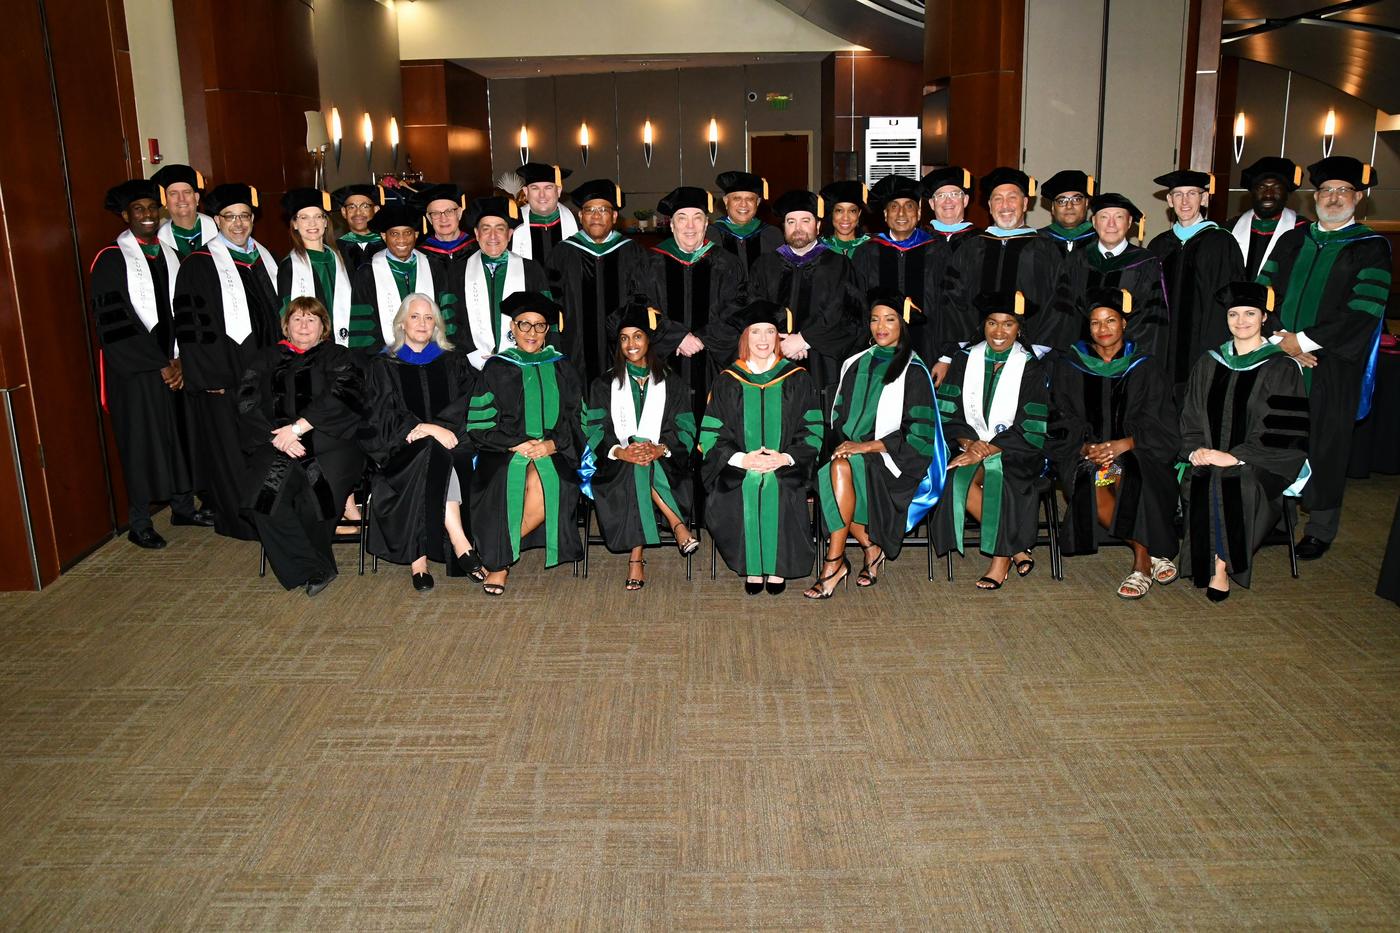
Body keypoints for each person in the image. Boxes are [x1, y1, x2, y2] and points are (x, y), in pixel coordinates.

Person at [1257, 156, 1392, 560]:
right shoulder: (1293, 240)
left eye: (1343, 192)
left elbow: (1364, 311)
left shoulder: (1370, 249)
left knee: (1326, 444)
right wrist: (1281, 338)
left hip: (1332, 365)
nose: (1334, 198)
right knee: (1276, 436)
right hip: (1282, 357)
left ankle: (1320, 527)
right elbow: (1264, 294)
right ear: (1315, 197)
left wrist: (1306, 341)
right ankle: (1277, 519)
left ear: (1358, 198)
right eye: (1326, 191)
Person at [91, 179, 209, 548]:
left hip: (175, 364)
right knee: (143, 441)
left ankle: (182, 506)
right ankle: (139, 520)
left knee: (179, 435)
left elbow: (189, 309)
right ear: (125, 216)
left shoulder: (169, 254)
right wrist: (160, 363)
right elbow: (115, 321)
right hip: (136, 371)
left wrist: (182, 358)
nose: (146, 215)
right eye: (137, 210)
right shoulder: (111, 258)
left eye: (150, 208)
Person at [808, 290, 944, 598]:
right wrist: (845, 445)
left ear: (902, 325)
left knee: (838, 468)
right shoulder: (855, 363)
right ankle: (869, 546)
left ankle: (834, 561)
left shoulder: (914, 371)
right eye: (874, 319)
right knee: (836, 465)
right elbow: (838, 418)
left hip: (893, 461)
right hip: (852, 454)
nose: (880, 326)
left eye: (890, 319)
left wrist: (865, 447)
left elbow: (920, 434)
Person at [1179, 282, 1310, 600]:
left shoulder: (1282, 367)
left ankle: (1221, 565)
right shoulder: (1209, 362)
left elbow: (1283, 431)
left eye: (1250, 313)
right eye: (1234, 314)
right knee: (1199, 475)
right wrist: (1196, 450)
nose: (1241, 321)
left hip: (1263, 461)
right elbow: (1191, 417)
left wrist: (1236, 456)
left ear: (1264, 317)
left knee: (1238, 480)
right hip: (1210, 454)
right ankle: (1208, 558)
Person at [1050, 287, 1180, 599]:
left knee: (1128, 472)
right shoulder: (1070, 365)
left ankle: (1140, 564)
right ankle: (1147, 555)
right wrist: (1084, 447)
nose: (1103, 328)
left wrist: (1125, 444)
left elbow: (1162, 421)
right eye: (1095, 323)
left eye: (1110, 321)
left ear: (1123, 324)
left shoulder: (1145, 365)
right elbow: (1058, 417)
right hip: (1086, 453)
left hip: (1138, 450)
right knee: (1093, 480)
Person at [172, 182, 282, 540]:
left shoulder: (264, 257)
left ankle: (271, 512)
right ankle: (240, 520)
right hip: (225, 374)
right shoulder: (198, 265)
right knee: (231, 448)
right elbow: (192, 327)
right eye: (230, 217)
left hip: (265, 369)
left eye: (245, 216)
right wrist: (209, 376)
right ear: (216, 220)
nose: (238, 224)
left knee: (264, 442)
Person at [238, 297, 366, 596]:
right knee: (263, 501)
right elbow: (246, 402)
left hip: (330, 444)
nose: (304, 325)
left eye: (312, 319)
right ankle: (314, 568)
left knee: (315, 499)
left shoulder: (338, 356)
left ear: (324, 327)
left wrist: (298, 428)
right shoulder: (266, 358)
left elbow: (345, 395)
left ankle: (314, 564)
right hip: (277, 443)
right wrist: (277, 438)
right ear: (286, 326)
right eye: (297, 319)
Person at [699, 300, 823, 594]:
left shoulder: (797, 378)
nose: (764, 340)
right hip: (739, 468)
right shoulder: (728, 380)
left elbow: (814, 430)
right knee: (753, 480)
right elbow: (710, 435)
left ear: (779, 338)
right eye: (756, 332)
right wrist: (742, 459)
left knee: (774, 483)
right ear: (745, 338)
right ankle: (753, 567)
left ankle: (779, 566)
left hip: (786, 466)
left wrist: (785, 457)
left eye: (770, 332)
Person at [363, 293, 485, 591]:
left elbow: (469, 402)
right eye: (415, 316)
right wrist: (428, 429)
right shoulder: (384, 365)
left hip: (448, 441)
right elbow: (380, 415)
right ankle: (460, 542)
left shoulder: (453, 360)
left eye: (429, 318)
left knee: (438, 453)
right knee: (432, 450)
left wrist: (438, 430)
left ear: (436, 326)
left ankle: (419, 561)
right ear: (402, 323)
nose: (422, 323)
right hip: (401, 447)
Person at [466, 292, 584, 595]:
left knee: (545, 481)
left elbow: (577, 420)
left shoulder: (562, 367)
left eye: (540, 326)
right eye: (524, 325)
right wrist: (517, 443)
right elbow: (479, 424)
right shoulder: (496, 368)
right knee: (510, 478)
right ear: (513, 328)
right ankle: (500, 560)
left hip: (555, 449)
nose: (531, 333)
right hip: (503, 450)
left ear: (548, 331)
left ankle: (498, 559)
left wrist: (553, 444)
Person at [931, 291, 1049, 589]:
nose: (999, 332)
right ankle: (1014, 548)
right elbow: (948, 411)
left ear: (1018, 329)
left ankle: (999, 560)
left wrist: (989, 448)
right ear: (982, 325)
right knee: (954, 477)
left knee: (1005, 480)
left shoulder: (1030, 366)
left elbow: (1032, 423)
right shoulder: (964, 359)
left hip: (1016, 449)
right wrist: (970, 444)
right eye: (992, 323)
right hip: (969, 445)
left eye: (1008, 324)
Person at [581, 299, 699, 590]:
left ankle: (636, 558)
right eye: (624, 338)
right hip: (614, 466)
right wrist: (620, 450)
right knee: (636, 463)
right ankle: (677, 525)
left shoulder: (672, 383)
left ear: (649, 340)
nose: (630, 344)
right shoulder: (603, 385)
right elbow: (593, 429)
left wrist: (660, 448)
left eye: (637, 336)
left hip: (667, 463)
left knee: (645, 461)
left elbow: (686, 429)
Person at [940, 168, 1066, 372]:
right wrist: (962, 348)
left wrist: (1036, 351)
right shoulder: (971, 248)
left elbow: (1060, 302)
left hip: (1033, 359)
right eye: (997, 199)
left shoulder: (1046, 249)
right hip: (974, 356)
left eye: (1012, 197)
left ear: (1025, 203)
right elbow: (953, 300)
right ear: (989, 206)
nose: (1005, 205)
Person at [641, 186, 747, 417]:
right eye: (682, 218)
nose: (690, 226)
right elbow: (640, 306)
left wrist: (702, 337)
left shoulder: (727, 263)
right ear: (671, 224)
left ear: (706, 224)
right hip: (666, 362)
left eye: (697, 218)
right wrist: (677, 336)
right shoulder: (649, 263)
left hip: (713, 362)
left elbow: (738, 309)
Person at [747, 189, 860, 393]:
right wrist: (780, 341)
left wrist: (804, 339)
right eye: (791, 222)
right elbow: (754, 310)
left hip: (822, 363)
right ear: (783, 227)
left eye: (805, 220)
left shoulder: (838, 265)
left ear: (817, 226)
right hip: (773, 357)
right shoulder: (765, 265)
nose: (798, 228)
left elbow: (850, 317)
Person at [546, 178, 651, 382]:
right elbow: (551, 304)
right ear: (580, 215)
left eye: (603, 210)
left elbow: (643, 301)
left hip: (623, 349)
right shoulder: (562, 254)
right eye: (589, 210)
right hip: (575, 351)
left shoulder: (633, 252)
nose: (596, 216)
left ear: (614, 216)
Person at [1147, 170, 1244, 391]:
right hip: (1163, 347)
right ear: (1169, 200)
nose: (1185, 201)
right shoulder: (1159, 246)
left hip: (1205, 343)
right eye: (1178, 194)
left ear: (1204, 198)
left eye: (1192, 193)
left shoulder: (1222, 243)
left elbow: (1231, 299)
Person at [1054, 193, 1169, 357]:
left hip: (1128, 357)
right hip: (1080, 356)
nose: (1111, 224)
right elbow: (1065, 312)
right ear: (1094, 222)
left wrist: (1126, 353)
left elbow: (1152, 320)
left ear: (1129, 223)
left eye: (1119, 217)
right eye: (1104, 217)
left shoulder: (1146, 263)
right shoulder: (1076, 261)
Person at [851, 174, 945, 365]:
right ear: (885, 215)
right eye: (894, 207)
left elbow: (950, 306)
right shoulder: (867, 252)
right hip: (877, 347)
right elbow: (856, 305)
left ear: (918, 214)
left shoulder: (938, 250)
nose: (901, 214)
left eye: (909, 206)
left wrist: (945, 357)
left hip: (928, 349)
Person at [456, 196, 552, 369]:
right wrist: (471, 353)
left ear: (509, 234)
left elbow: (545, 320)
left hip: (523, 365)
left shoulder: (531, 270)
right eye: (486, 229)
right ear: (477, 234)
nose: (493, 236)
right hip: (471, 367)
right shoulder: (458, 272)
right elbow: (451, 321)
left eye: (500, 229)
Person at [277, 188, 352, 347]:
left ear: (325, 222)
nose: (312, 223)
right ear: (295, 224)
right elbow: (287, 314)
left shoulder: (340, 259)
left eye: (318, 216)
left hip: (344, 345)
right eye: (304, 218)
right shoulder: (289, 267)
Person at [1226, 157, 1308, 279]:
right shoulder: (1228, 230)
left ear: (1287, 193)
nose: (1268, 194)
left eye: (1276, 188)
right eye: (1261, 188)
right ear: (1252, 193)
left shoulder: (1305, 232)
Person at [412, 182, 475, 320]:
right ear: (428, 218)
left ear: (459, 213)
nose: (443, 218)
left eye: (449, 211)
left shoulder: (477, 249)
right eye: (435, 213)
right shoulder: (419, 255)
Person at [707, 171, 782, 272]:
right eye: (737, 198)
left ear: (758, 202)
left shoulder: (772, 234)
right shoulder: (710, 235)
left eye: (750, 199)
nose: (743, 204)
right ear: (726, 201)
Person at [510, 162, 576, 264]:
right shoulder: (511, 228)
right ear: (526, 192)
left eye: (548, 188)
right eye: (535, 188)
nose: (542, 195)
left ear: (558, 191)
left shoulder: (578, 226)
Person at [152, 164, 215, 258]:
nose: (181, 199)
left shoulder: (219, 230)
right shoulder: (156, 242)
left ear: (197, 198)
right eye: (173, 194)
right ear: (165, 201)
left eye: (187, 192)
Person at [1038, 169, 1097, 254]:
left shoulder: (1101, 239)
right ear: (1053, 208)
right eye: (1061, 201)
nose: (1069, 206)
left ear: (1086, 203)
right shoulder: (1037, 240)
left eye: (1076, 199)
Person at [333, 183, 386, 277]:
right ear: (344, 212)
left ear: (376, 210)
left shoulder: (389, 246)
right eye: (351, 207)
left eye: (365, 206)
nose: (358, 212)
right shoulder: (335, 249)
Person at [921, 166, 977, 243]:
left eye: (954, 194)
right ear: (932, 204)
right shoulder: (919, 240)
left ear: (965, 200)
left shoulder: (981, 240)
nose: (948, 201)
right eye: (941, 196)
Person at [817, 180, 871, 259]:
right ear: (832, 213)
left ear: (859, 214)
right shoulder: (819, 248)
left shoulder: (871, 247)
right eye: (839, 210)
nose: (845, 218)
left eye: (852, 211)